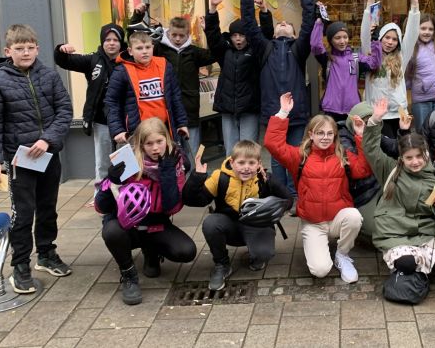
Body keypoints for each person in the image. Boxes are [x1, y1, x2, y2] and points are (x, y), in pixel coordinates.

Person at [0, 24, 73, 294]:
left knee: (48, 208)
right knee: (22, 214)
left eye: (30, 47)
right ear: (7, 51)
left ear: (37, 49)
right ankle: (20, 265)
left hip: (48, 155)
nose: (25, 53)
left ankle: (46, 253)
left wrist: (47, 140)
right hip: (18, 161)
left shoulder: (49, 76)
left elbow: (64, 111)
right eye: (19, 48)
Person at [265, 92, 371, 282]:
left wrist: (360, 136)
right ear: (311, 134)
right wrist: (283, 113)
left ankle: (342, 254)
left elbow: (363, 170)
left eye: (330, 133)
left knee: (354, 216)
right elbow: (272, 144)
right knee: (320, 270)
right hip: (313, 223)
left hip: (338, 218)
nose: (325, 137)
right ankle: (319, 246)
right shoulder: (300, 156)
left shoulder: (342, 155)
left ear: (335, 135)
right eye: (320, 133)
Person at [362, 98, 435, 299]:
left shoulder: (433, 179)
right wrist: (375, 121)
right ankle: (405, 269)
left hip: (423, 234)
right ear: (402, 158)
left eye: (419, 156)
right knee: (407, 262)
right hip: (394, 231)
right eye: (409, 157)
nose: (415, 162)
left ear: (426, 155)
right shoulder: (390, 170)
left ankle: (409, 276)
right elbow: (371, 149)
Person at [95, 117, 197, 305]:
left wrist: (167, 174)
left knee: (186, 251)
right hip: (127, 225)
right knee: (111, 231)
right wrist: (111, 182)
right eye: (149, 144)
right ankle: (129, 275)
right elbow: (101, 207)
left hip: (156, 223)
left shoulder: (175, 162)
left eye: (159, 141)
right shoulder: (128, 161)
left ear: (167, 139)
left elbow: (172, 207)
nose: (155, 148)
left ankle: (151, 251)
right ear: (141, 145)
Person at [241, 0, 315, 201]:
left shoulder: (298, 49)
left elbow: (308, 26)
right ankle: (280, 194)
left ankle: (293, 195)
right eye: (280, 23)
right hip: (273, 113)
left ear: (294, 34)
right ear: (273, 33)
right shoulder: (265, 48)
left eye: (288, 24)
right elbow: (249, 25)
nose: (283, 24)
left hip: (297, 113)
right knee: (276, 157)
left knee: (294, 155)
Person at [182, 140, 291, 291]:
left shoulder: (265, 178)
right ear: (232, 162)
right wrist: (196, 177)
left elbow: (288, 200)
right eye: (241, 163)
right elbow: (192, 201)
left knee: (264, 254)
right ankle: (222, 264)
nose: (246, 167)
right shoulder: (219, 177)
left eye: (251, 163)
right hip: (229, 226)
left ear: (259, 163)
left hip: (256, 226)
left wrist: (272, 208)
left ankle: (256, 254)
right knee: (210, 223)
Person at [54, 23, 125, 184]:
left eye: (115, 40)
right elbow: (64, 61)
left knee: (125, 161)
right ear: (102, 41)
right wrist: (61, 50)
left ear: (121, 43)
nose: (111, 43)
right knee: (103, 162)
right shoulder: (93, 60)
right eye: (107, 40)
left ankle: (125, 193)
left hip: (124, 122)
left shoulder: (129, 60)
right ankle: (101, 193)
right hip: (101, 121)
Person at [149, 8, 218, 159]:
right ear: (168, 33)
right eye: (174, 35)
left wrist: (209, 31)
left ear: (188, 35)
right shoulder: (159, 50)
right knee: (168, 152)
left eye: (182, 35)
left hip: (189, 108)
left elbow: (215, 54)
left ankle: (192, 174)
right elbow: (138, 46)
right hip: (166, 108)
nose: (178, 39)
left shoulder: (193, 52)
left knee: (191, 152)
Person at [104, 31, 188, 145]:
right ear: (130, 51)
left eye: (148, 47)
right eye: (139, 48)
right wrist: (118, 130)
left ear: (152, 47)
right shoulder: (121, 72)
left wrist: (181, 123)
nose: (144, 51)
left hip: (165, 129)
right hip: (138, 132)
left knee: (170, 157)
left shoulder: (164, 65)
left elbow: (175, 96)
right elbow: (112, 102)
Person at [205, 0, 262, 154]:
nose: (238, 39)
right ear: (230, 37)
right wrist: (212, 9)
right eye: (235, 35)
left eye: (242, 35)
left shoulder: (256, 52)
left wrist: (261, 11)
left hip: (249, 107)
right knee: (230, 151)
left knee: (248, 149)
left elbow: (262, 33)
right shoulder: (224, 51)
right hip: (227, 107)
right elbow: (213, 35)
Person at [339, 101, 405, 239]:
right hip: (360, 195)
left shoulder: (373, 133)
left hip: (379, 186)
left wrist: (404, 131)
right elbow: (361, 170)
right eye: (364, 121)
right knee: (375, 230)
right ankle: (357, 230)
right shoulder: (342, 141)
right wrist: (362, 137)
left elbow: (396, 149)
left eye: (372, 121)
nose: (367, 124)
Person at [311, 0, 382, 123]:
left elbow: (374, 63)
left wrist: (375, 40)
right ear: (331, 40)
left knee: (353, 135)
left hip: (353, 109)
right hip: (331, 108)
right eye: (337, 38)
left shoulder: (356, 58)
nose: (342, 41)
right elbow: (315, 45)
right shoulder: (327, 58)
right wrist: (319, 22)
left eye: (345, 37)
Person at [364, 0, 421, 138]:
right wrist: (370, 0)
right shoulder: (370, 55)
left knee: (401, 148)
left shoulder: (402, 56)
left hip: (398, 113)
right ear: (380, 38)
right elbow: (365, 33)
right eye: (387, 38)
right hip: (377, 113)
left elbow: (412, 33)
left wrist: (415, 4)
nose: (390, 42)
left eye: (395, 39)